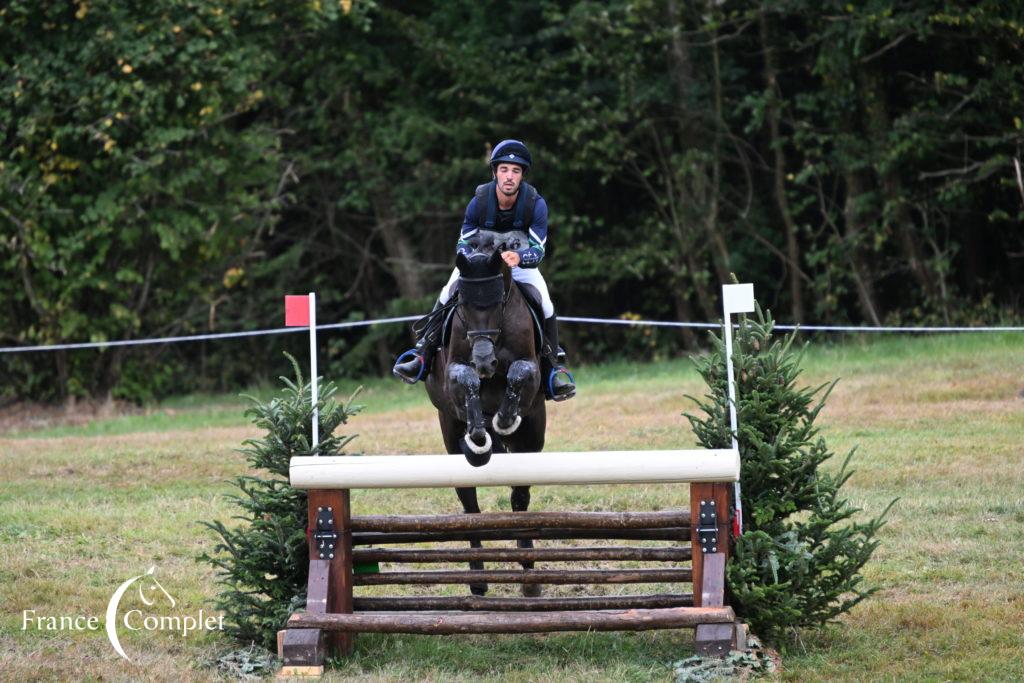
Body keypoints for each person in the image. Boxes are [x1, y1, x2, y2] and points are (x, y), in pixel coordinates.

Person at [392, 139, 576, 401]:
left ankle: (552, 369)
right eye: (504, 170)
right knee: (447, 291)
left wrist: (520, 256)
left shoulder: (535, 204)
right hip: (481, 268)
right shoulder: (479, 201)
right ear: (495, 172)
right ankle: (423, 353)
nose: (509, 176)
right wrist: (472, 261)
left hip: (517, 267)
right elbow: (463, 242)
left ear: (522, 175)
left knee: (544, 302)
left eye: (516, 170)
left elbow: (539, 250)